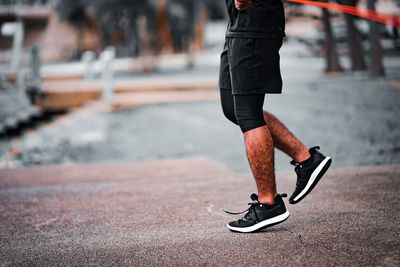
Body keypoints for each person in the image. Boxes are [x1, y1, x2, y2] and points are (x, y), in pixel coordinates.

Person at [220, 0, 332, 233]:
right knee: (233, 108)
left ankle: (268, 203)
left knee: (248, 114)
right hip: (238, 26)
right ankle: (306, 159)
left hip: (253, 23)